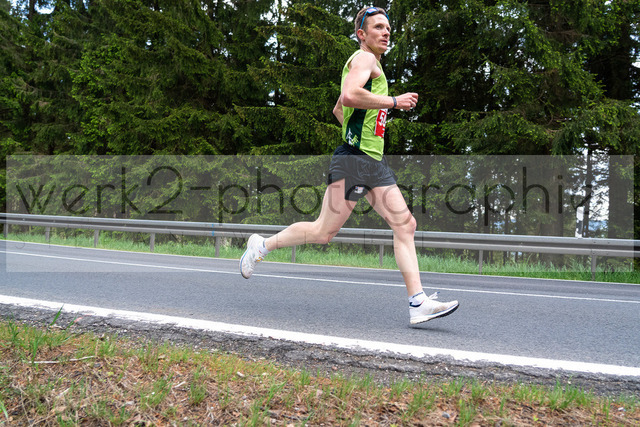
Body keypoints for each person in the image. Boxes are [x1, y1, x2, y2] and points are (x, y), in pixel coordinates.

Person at [240, 6, 459, 325]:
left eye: (388, 28)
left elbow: (338, 110)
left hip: (373, 162)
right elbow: (349, 95)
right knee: (323, 232)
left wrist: (360, 130)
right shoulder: (364, 59)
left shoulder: (373, 65)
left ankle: (418, 303)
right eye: (378, 27)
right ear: (362, 34)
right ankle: (261, 245)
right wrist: (394, 102)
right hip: (355, 161)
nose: (386, 32)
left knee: (405, 224)